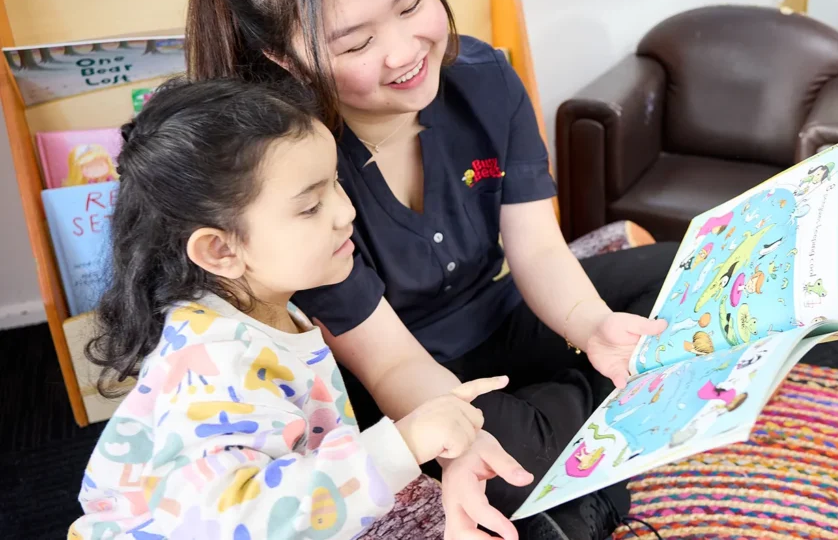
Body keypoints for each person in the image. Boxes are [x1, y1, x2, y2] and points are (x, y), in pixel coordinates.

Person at [186, 0, 678, 539]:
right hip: (402, 379)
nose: (404, 51)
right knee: (501, 468)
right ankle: (596, 421)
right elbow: (389, 361)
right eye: (356, 43)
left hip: (500, 316)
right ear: (289, 60)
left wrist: (590, 324)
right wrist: (455, 437)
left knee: (688, 275)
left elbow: (535, 248)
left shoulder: (485, 79)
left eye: (413, 4)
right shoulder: (294, 171)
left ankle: (580, 426)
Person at [69, 79, 531, 540]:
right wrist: (405, 443)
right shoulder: (211, 365)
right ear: (219, 250)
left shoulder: (263, 311)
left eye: (336, 183)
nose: (345, 212)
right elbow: (238, 523)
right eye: (310, 206)